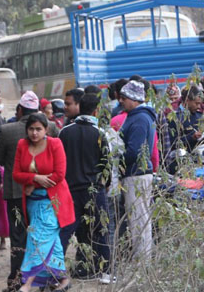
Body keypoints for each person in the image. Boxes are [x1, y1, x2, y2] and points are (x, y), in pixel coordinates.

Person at [0, 91, 59, 290]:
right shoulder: (52, 127)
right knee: (44, 235)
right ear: (38, 110)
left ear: (20, 110)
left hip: (16, 193)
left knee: (19, 237)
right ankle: (48, 280)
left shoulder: (7, 130)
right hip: (43, 192)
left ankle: (16, 280)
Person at [12, 114, 74, 292]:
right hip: (32, 202)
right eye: (31, 129)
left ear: (46, 130)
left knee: (37, 238)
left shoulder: (55, 144)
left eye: (38, 129)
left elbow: (59, 174)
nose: (34, 133)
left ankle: (28, 283)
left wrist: (33, 183)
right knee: (51, 241)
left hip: (52, 202)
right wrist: (34, 178)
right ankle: (61, 279)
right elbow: (16, 174)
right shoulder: (22, 145)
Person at [57, 93, 112, 283]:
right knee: (100, 230)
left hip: (70, 191)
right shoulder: (100, 133)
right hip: (94, 190)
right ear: (96, 110)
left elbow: (59, 163)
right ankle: (105, 273)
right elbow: (107, 165)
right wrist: (106, 185)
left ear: (80, 107)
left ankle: (56, 270)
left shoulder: (65, 131)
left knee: (65, 231)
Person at [117, 81, 156, 262]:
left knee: (139, 219)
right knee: (139, 218)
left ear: (134, 99)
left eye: (124, 98)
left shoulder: (139, 118)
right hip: (137, 174)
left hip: (136, 175)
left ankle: (142, 261)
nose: (121, 101)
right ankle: (142, 258)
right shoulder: (135, 116)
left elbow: (135, 151)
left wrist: (115, 158)